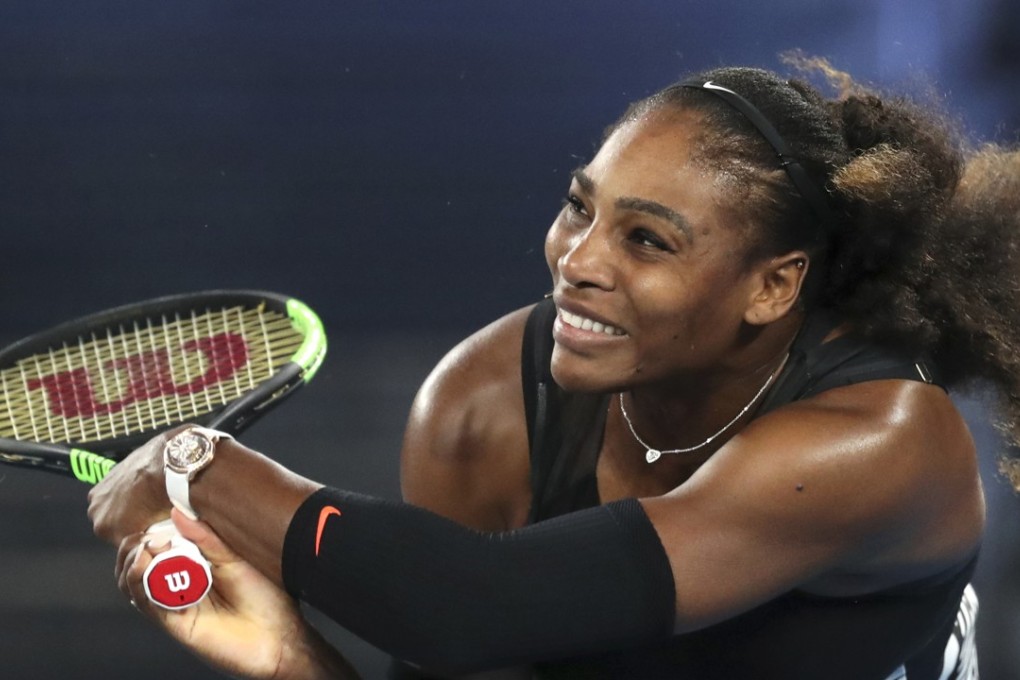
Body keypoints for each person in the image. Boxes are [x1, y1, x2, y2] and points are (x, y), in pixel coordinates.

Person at [88, 57, 1020, 679]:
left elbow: (470, 604)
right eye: (582, 208)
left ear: (773, 287)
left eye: (647, 239)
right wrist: (294, 657)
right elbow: (458, 642)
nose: (578, 260)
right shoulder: (481, 407)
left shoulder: (882, 443)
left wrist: (196, 465)